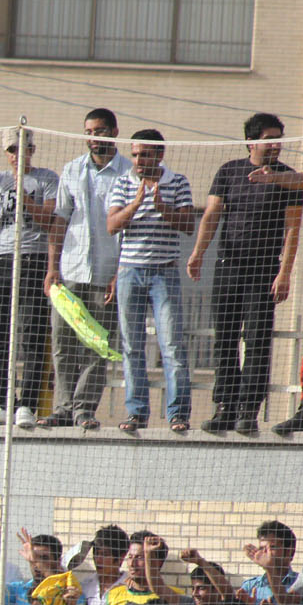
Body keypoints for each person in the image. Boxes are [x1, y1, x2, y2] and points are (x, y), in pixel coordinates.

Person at [188, 112, 303, 435]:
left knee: (256, 341)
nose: (275, 145)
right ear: (252, 141)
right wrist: (198, 254)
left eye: (279, 139)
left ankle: (248, 410)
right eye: (269, 139)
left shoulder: (289, 178)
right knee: (225, 339)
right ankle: (224, 405)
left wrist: (284, 273)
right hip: (228, 267)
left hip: (264, 270)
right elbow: (211, 214)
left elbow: (293, 229)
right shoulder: (229, 171)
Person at [44, 107, 129, 431]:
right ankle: (65, 406)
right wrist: (53, 269)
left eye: (101, 131)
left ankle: (83, 409)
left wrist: (117, 273)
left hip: (106, 273)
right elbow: (60, 220)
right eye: (90, 132)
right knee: (63, 343)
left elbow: (129, 228)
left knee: (98, 344)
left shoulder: (128, 172)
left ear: (114, 132)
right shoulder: (71, 170)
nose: (95, 138)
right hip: (71, 271)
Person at [106, 129, 196, 434]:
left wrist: (162, 206)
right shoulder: (122, 182)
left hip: (164, 271)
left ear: (159, 154)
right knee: (132, 346)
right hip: (130, 271)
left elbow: (187, 224)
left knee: (171, 344)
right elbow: (112, 225)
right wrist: (137, 203)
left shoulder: (178, 182)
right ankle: (136, 413)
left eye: (145, 154)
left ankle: (177, 413)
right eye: (134, 154)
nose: (139, 160)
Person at [0, 126, 58, 429]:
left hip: (33, 256)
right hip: (4, 257)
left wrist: (25, 197)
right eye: (11, 150)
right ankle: (3, 402)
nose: (17, 155)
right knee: (2, 332)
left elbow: (49, 219)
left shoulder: (46, 178)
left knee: (33, 330)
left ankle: (28, 404)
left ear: (32, 149)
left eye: (23, 148)